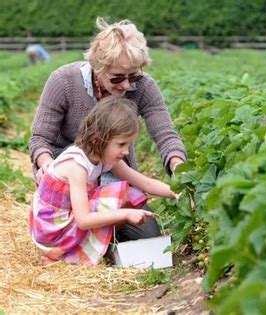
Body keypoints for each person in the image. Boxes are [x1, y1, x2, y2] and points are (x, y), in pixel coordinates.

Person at [29, 17, 187, 242]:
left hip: (113, 176)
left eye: (133, 76)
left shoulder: (144, 87)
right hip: (70, 184)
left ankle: (106, 235)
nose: (126, 85)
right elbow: (40, 138)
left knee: (147, 236)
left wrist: (178, 168)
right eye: (117, 78)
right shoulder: (63, 81)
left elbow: (165, 134)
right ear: (98, 67)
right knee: (90, 229)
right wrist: (46, 165)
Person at [29, 96, 180, 265]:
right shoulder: (77, 165)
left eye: (128, 145)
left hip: (69, 219)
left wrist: (177, 191)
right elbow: (83, 220)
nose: (126, 152)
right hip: (53, 229)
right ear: (97, 140)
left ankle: (98, 245)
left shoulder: (104, 157)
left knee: (132, 193)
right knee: (121, 197)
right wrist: (126, 213)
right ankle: (61, 254)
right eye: (121, 144)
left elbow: (144, 183)